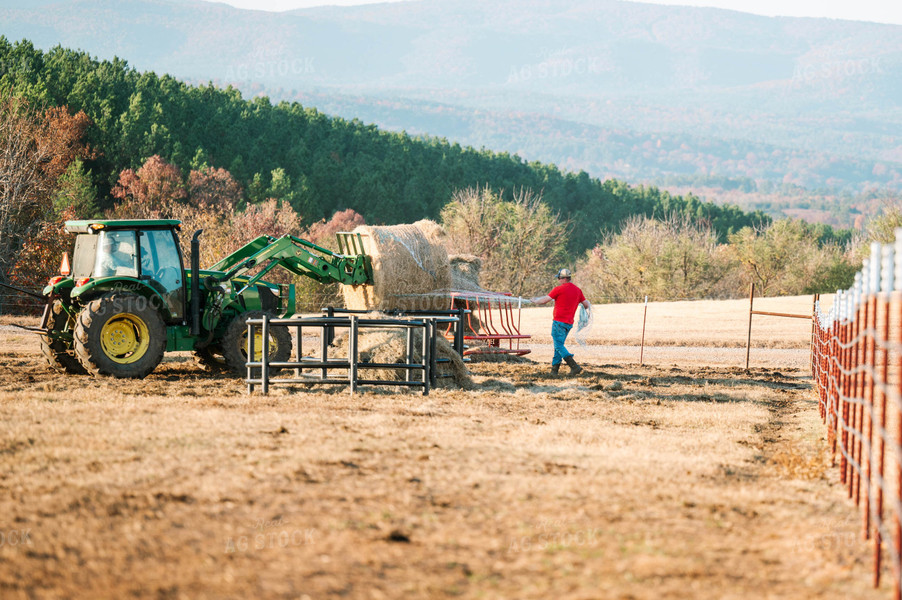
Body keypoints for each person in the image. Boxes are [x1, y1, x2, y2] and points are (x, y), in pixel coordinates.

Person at [531, 268, 591, 375]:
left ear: (563, 278)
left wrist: (535, 301)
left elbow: (544, 300)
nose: (558, 280)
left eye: (559, 278)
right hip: (569, 323)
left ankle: (574, 366)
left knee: (558, 346)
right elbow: (586, 304)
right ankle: (554, 370)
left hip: (558, 322)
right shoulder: (578, 290)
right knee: (558, 345)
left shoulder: (558, 289)